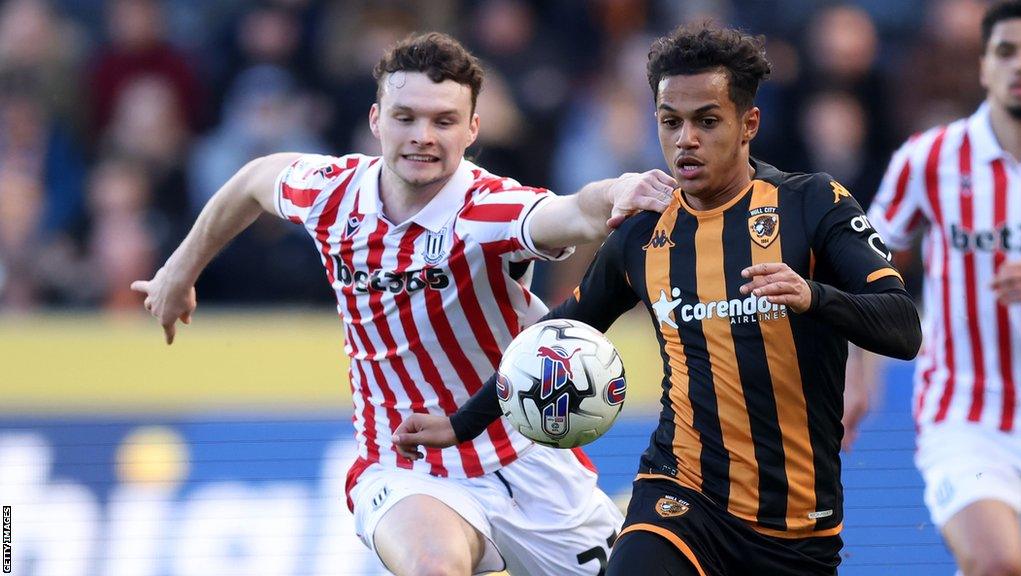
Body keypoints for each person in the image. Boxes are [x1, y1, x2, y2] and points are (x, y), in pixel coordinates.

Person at [131, 32, 678, 576]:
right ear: (376, 120)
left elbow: (575, 212)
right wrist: (179, 271)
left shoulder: (489, 211)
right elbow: (253, 180)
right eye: (405, 117)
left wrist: (618, 190)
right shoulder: (332, 193)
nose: (422, 136)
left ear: (472, 130)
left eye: (443, 121)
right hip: (405, 465)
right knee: (432, 566)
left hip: (529, 459)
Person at [393, 24, 922, 576]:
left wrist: (814, 297)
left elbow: (902, 327)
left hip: (797, 523)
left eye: (706, 121)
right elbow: (557, 335)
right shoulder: (641, 235)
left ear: (749, 124)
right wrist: (459, 424)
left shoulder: (814, 204)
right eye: (671, 122)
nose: (685, 139)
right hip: (680, 494)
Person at [845, 2, 1021, 575]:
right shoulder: (931, 160)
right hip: (967, 415)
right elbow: (865, 267)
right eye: (1005, 51)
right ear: (982, 67)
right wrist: (856, 376)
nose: (1019, 65)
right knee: (998, 562)